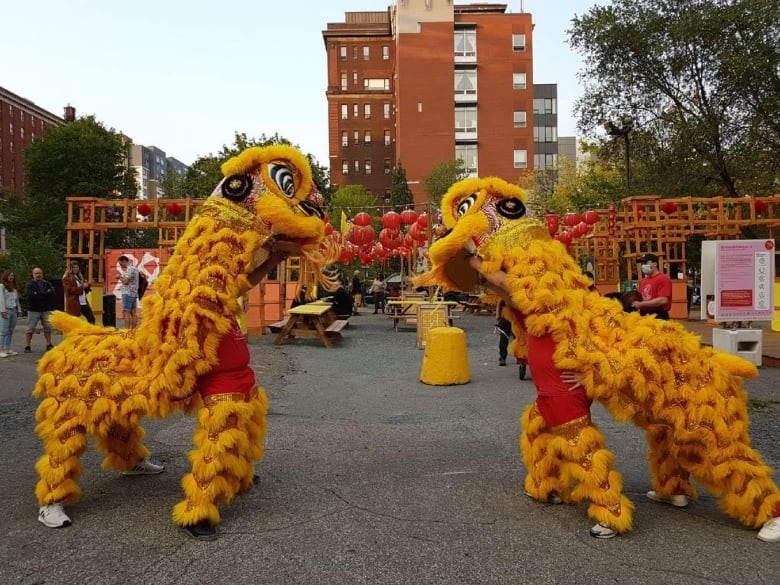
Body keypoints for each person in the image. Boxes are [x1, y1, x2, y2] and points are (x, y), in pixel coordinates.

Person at [469, 254, 631, 539]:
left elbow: (608, 346)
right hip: (547, 393)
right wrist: (484, 274)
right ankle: (546, 486)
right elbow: (509, 293)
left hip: (562, 393)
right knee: (537, 433)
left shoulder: (567, 309)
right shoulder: (536, 312)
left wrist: (473, 259)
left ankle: (611, 510)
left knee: (581, 449)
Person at [25, 267, 55, 353]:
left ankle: (49, 344)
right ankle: (27, 345)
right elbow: (31, 296)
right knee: (30, 328)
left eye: (39, 273)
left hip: (45, 309)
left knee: (47, 327)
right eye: (36, 273)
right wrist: (45, 294)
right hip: (33, 309)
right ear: (33, 274)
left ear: (42, 274)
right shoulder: (30, 284)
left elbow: (52, 293)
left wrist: (38, 294)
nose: (38, 275)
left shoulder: (47, 283)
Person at [632, 253, 672, 319]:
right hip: (643, 315)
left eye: (645, 263)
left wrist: (641, 304)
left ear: (655, 264)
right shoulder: (643, 281)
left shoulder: (663, 279)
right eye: (642, 263)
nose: (643, 266)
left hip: (658, 316)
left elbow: (663, 300)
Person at [0, 270, 20, 358]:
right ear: (6, 277)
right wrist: (2, 310)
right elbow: (1, 299)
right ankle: (1, 349)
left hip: (13, 310)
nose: (11, 277)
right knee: (3, 331)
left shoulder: (13, 288)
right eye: (9, 275)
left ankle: (7, 349)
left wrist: (19, 310)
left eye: (12, 275)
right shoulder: (2, 287)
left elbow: (16, 300)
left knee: (10, 330)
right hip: (5, 310)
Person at [117, 255, 140, 329]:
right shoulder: (135, 269)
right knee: (133, 313)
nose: (121, 266)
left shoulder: (130, 269)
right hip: (134, 293)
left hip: (127, 293)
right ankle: (133, 330)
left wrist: (119, 277)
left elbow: (126, 282)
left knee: (126, 313)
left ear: (124, 261)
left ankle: (126, 331)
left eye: (121, 264)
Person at [495, 299, 512, 366]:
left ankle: (519, 357)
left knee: (518, 339)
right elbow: (500, 301)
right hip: (505, 317)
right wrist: (497, 314)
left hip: (515, 317)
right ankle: (503, 358)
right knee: (504, 339)